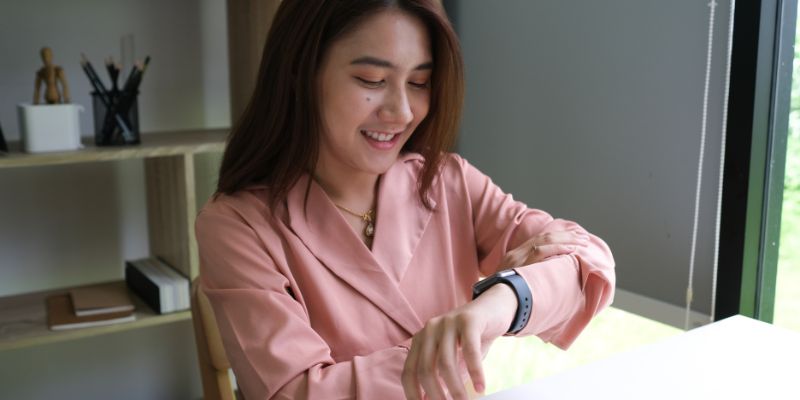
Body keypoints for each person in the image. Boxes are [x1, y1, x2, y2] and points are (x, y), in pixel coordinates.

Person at [195, 1, 615, 399]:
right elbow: (297, 392)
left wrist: (501, 303)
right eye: (372, 81)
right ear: (301, 72)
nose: (400, 111)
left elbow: (588, 263)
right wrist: (448, 349)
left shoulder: (446, 181)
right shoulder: (237, 226)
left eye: (418, 83)